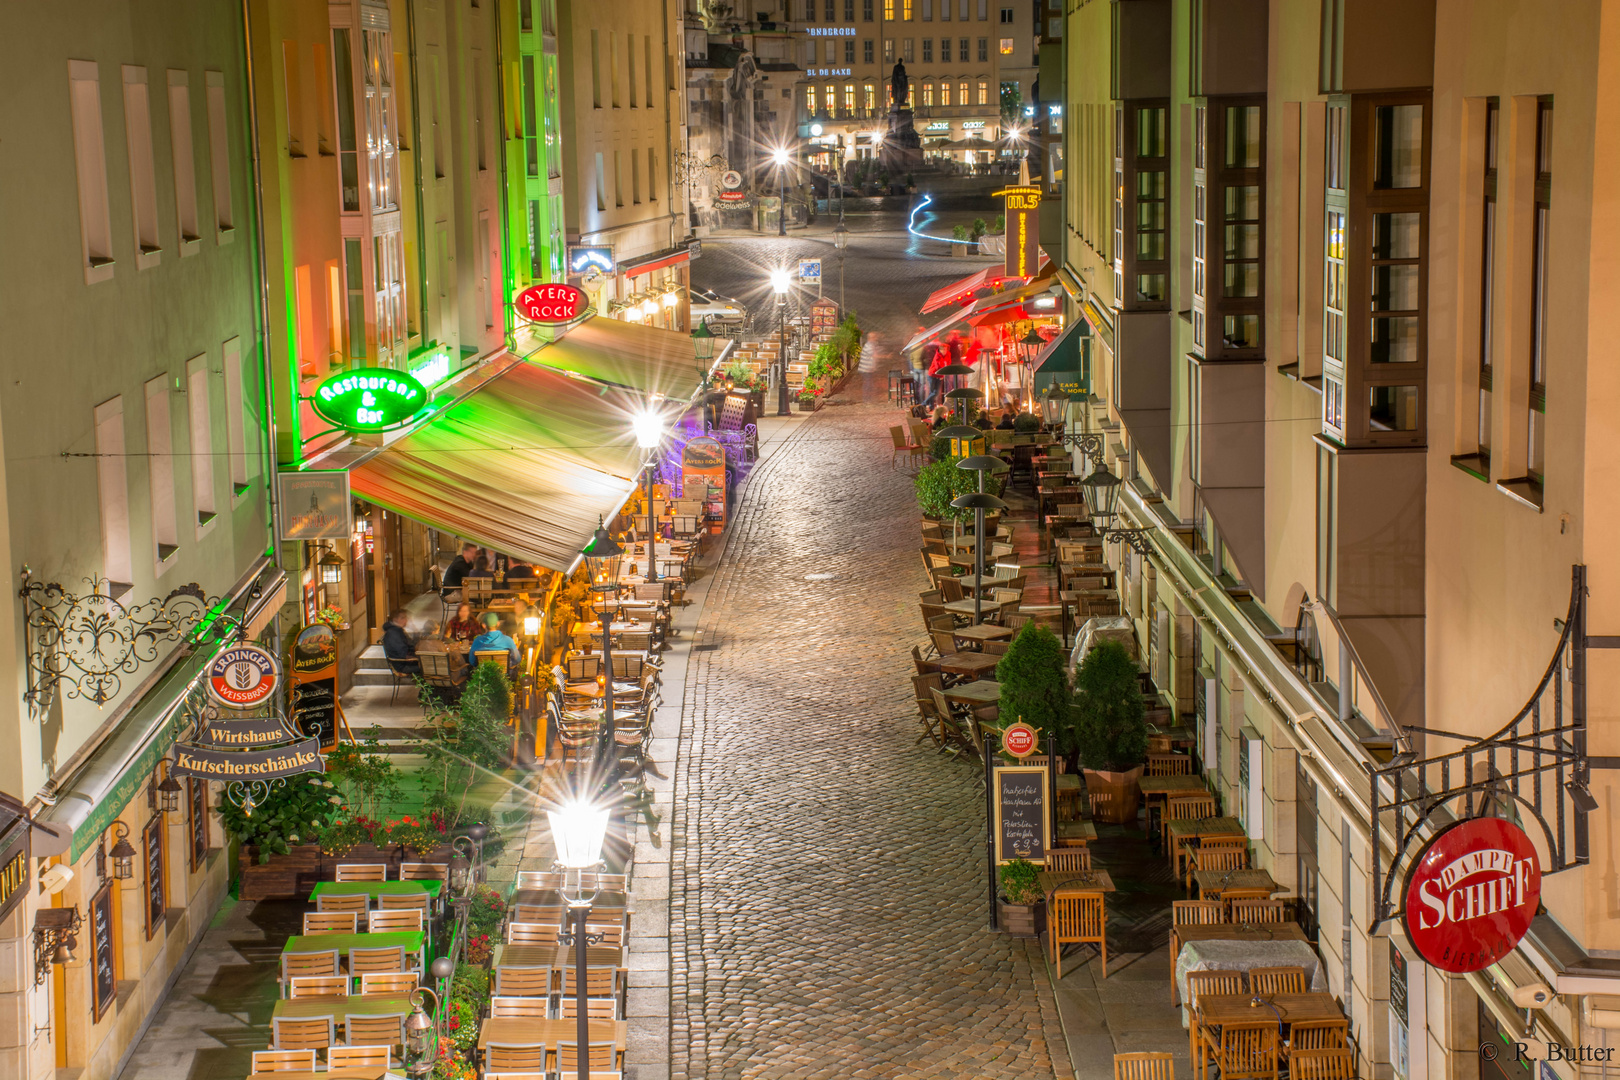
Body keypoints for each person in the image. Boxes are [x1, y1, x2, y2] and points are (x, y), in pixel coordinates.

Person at [464, 612, 519, 676]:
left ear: (484, 625)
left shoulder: (477, 641)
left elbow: (472, 661)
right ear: (498, 624)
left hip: (484, 677)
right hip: (504, 678)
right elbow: (517, 659)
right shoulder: (508, 640)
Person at [381, 610, 420, 674]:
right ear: (395, 620)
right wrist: (417, 657)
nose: (406, 620)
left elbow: (410, 645)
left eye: (406, 617)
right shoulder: (394, 633)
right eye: (402, 618)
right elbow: (403, 653)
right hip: (402, 666)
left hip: (404, 662)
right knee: (430, 667)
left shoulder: (397, 630)